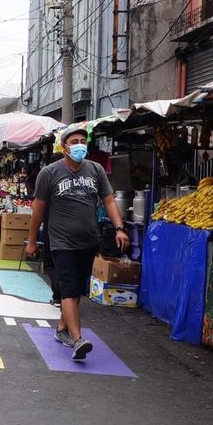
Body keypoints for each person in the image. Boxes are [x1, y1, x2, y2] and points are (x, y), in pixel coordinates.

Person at [25, 128, 128, 361]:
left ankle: (62, 329)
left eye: (83, 141)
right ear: (64, 146)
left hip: (88, 241)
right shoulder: (49, 173)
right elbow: (38, 209)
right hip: (61, 242)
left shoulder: (96, 170)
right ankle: (78, 338)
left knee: (77, 289)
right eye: (74, 141)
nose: (80, 145)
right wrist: (32, 241)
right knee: (69, 288)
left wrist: (120, 228)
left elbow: (109, 200)